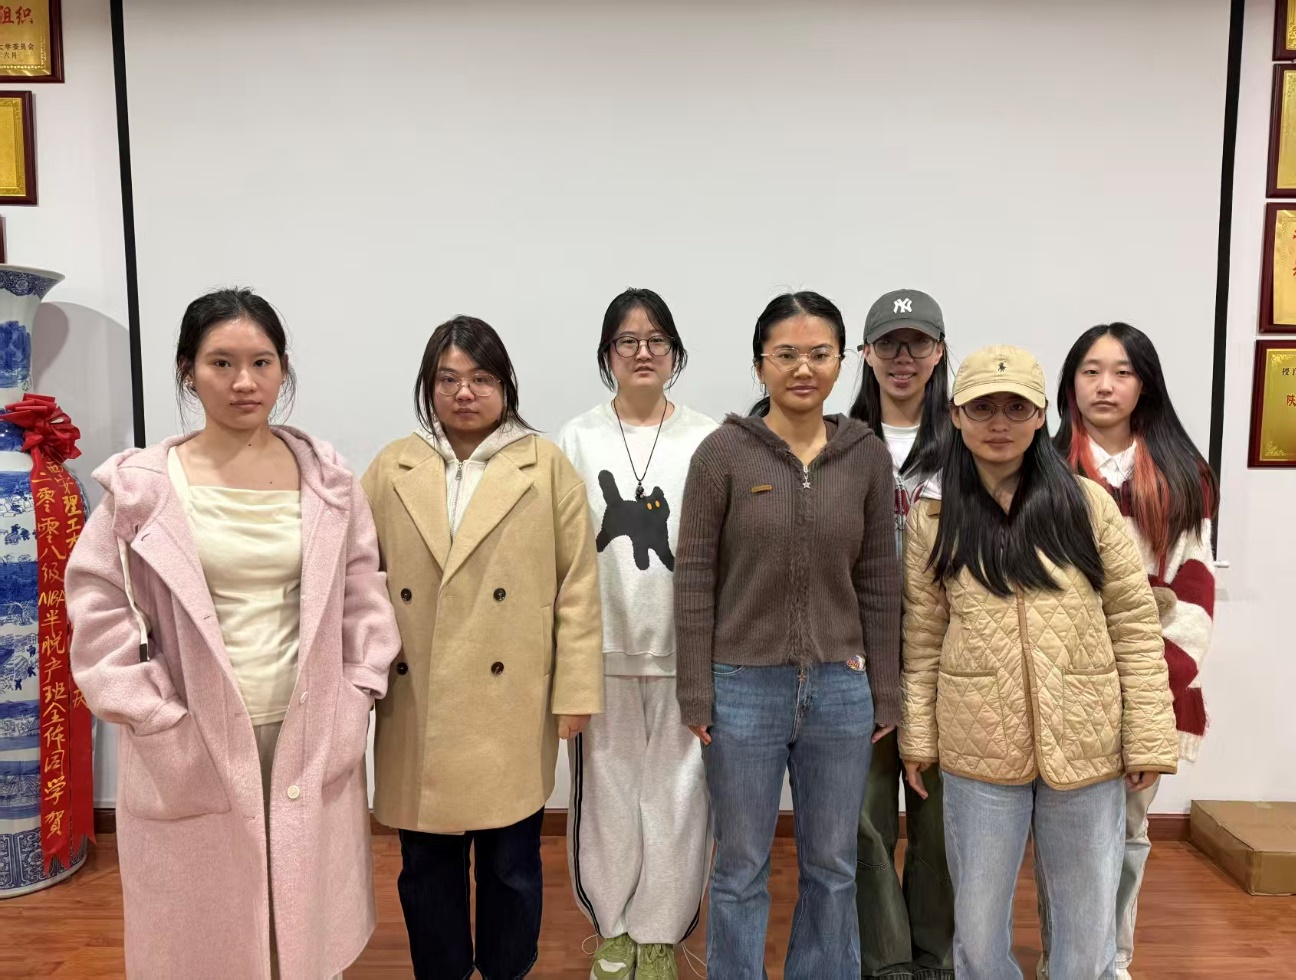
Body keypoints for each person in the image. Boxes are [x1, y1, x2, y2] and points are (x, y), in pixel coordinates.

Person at [67, 288, 400, 979]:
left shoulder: (328, 483)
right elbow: (98, 608)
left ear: (283, 370)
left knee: (300, 932)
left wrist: (358, 691)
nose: (244, 381)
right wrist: (155, 715)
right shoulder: (145, 489)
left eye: (261, 362)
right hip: (195, 736)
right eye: (221, 362)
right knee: (209, 934)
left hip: (306, 729)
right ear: (187, 371)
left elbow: (363, 591)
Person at [897, 344, 1177, 980]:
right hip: (977, 742)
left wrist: (1148, 735)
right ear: (956, 416)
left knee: (1086, 921)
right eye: (982, 408)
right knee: (977, 926)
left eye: (1016, 408)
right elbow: (923, 637)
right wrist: (918, 736)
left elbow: (1134, 625)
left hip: (1085, 738)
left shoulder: (1087, 504)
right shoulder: (933, 519)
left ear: (1041, 414)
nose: (999, 423)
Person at [362, 315, 603, 980]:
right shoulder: (391, 467)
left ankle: (506, 970)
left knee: (512, 867)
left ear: (505, 386)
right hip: (418, 701)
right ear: (428, 387)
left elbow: (579, 588)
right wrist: (357, 683)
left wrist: (576, 692)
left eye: (481, 378)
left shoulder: (544, 466)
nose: (464, 393)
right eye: (448, 380)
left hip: (511, 702)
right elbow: (358, 583)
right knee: (426, 870)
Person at [675, 291, 901, 980]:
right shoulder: (722, 454)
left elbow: (880, 580)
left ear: (842, 361)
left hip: (841, 688)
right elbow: (694, 578)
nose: (803, 368)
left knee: (833, 864)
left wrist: (885, 690)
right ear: (760, 365)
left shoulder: (865, 456)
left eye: (819, 354)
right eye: (786, 354)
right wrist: (695, 691)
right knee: (740, 864)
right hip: (743, 688)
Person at [1042, 323, 1219, 980]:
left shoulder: (1182, 475)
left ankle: (1112, 961)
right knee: (1063, 837)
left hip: (1147, 680)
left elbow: (1194, 586)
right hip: (1064, 682)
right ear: (1071, 384)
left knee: (1127, 832)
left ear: (1145, 384)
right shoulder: (1044, 469)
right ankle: (1063, 960)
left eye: (1121, 372)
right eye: (1090, 371)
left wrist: (1155, 687)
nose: (1105, 385)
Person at [559, 288, 719, 980]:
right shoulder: (576, 439)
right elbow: (560, 554)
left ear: (675, 353)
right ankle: (614, 930)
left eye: (657, 340)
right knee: (608, 800)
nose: (643, 351)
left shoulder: (709, 439)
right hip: (601, 654)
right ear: (608, 354)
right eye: (628, 340)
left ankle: (660, 934)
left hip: (686, 654)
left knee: (679, 801)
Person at [849, 289, 955, 980]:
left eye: (918, 343)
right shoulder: (839, 438)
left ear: (940, 352)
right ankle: (885, 961)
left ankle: (935, 956)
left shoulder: (968, 438)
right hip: (857, 657)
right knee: (863, 820)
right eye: (888, 343)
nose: (903, 357)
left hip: (946, 659)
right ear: (866, 354)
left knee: (939, 823)